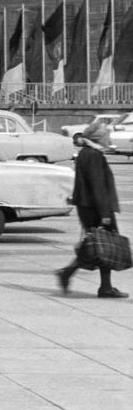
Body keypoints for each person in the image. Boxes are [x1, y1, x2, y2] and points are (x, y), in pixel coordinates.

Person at [56, 121, 125, 298]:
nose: (108, 138)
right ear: (99, 138)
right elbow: (98, 186)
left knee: (98, 246)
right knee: (103, 245)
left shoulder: (85, 153)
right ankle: (71, 273)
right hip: (97, 208)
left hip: (86, 207)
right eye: (106, 135)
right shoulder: (94, 155)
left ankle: (103, 285)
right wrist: (105, 214)